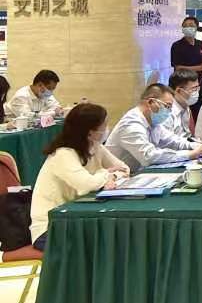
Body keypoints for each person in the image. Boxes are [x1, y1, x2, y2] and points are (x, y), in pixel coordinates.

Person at [29, 103, 130, 252]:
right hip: (51, 228)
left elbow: (124, 169)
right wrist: (105, 173)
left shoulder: (95, 146)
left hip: (78, 220)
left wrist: (112, 175)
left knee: (115, 236)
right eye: (104, 125)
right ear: (89, 132)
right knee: (104, 244)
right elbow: (86, 185)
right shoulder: (63, 154)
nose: (106, 129)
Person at [105, 84, 202, 172]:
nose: (169, 111)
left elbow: (172, 140)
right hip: (118, 178)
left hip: (138, 173)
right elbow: (149, 156)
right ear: (150, 102)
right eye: (167, 106)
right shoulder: (131, 124)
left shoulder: (153, 122)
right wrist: (189, 154)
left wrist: (196, 146)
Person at [171, 16, 202, 119]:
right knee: (189, 114)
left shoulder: (201, 44)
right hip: (186, 86)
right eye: (185, 26)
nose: (188, 28)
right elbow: (178, 68)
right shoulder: (177, 46)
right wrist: (199, 68)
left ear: (197, 28)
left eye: (191, 25)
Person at [166, 69, 201, 139]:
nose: (197, 92)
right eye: (194, 89)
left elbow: (189, 135)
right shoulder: (167, 113)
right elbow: (167, 142)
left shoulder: (185, 105)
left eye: (198, 88)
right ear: (179, 91)